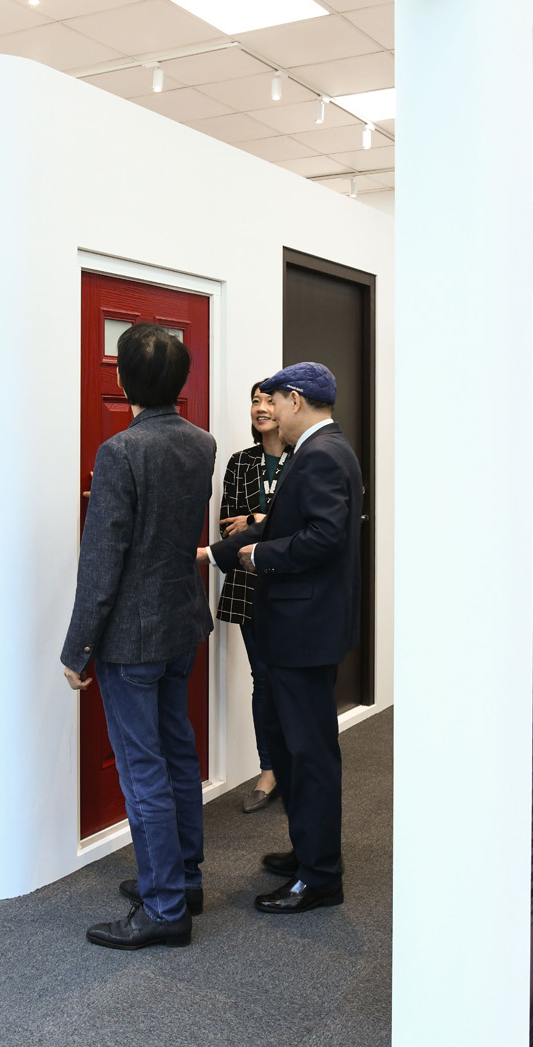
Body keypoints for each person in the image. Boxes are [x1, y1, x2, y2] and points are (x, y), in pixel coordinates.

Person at [61, 321, 217, 951]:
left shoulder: (120, 452)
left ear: (124, 381)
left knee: (142, 768)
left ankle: (164, 908)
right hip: (181, 623)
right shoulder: (202, 443)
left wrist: (78, 649)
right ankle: (183, 879)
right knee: (178, 753)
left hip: (132, 637)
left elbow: (102, 563)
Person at [204, 362, 362, 915]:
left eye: (273, 400)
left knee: (309, 753)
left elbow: (321, 536)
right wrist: (215, 554)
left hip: (305, 631)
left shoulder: (322, 455)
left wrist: (258, 556)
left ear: (295, 400)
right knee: (295, 745)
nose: (267, 410)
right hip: (300, 629)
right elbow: (278, 523)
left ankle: (319, 878)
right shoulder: (319, 450)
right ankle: (308, 852)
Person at [216, 382, 291, 813]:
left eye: (268, 401)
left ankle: (295, 763)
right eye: (255, 401)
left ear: (288, 406)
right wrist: (255, 520)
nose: (260, 408)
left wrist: (257, 520)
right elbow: (228, 525)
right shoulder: (240, 462)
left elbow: (304, 528)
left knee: (292, 679)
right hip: (248, 586)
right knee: (262, 678)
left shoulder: (303, 459)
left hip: (293, 586)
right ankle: (269, 769)